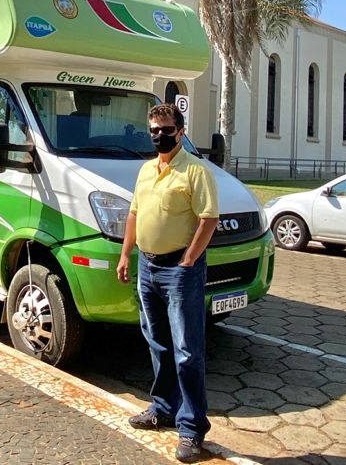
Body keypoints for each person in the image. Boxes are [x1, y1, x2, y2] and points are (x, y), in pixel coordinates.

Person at [116, 103, 218, 463]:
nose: (160, 136)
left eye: (167, 130)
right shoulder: (145, 170)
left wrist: (188, 260)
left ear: (181, 130)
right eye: (154, 130)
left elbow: (208, 219)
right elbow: (134, 213)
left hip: (180, 271)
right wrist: (126, 254)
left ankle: (191, 429)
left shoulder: (195, 170)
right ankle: (162, 409)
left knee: (187, 351)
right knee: (157, 343)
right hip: (147, 266)